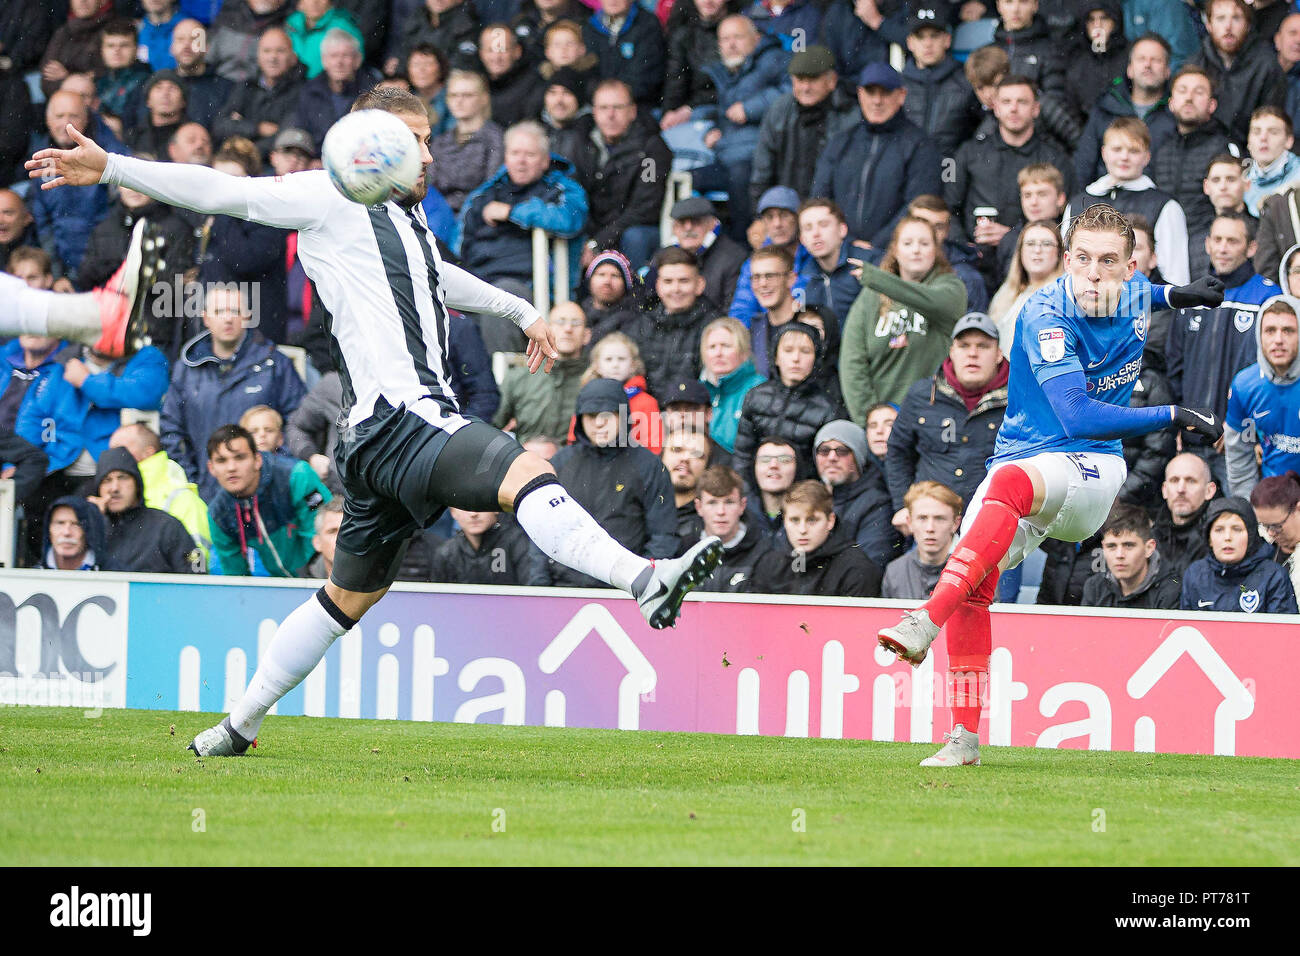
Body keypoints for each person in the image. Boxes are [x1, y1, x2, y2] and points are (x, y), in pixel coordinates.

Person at [30, 87, 723, 791]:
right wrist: (114, 167)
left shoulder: (407, 221)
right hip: (404, 419)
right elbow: (222, 192)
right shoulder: (331, 196)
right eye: (415, 140)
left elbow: (434, 276)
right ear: (372, 145)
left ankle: (235, 726)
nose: (428, 153)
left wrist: (517, 307)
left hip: (374, 443)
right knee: (526, 474)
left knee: (344, 599)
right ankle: (644, 579)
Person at [876, 203, 1227, 768]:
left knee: (1010, 488)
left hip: (1090, 475)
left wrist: (1180, 295)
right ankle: (964, 738)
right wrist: (1173, 413)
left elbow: (1145, 302)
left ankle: (924, 619)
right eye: (1082, 259)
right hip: (1039, 454)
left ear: (1129, 268)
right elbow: (1076, 414)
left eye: (1107, 262)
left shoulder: (1131, 292)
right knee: (976, 584)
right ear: (1066, 260)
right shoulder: (1045, 314)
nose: (1092, 273)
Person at [160, 284, 307, 501]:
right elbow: (171, 430)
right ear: (206, 318)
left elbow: (299, 423)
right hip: (206, 493)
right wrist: (194, 480)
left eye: (234, 311)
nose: (228, 319)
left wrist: (273, 469)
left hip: (267, 492)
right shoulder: (186, 369)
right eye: (219, 312)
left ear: (247, 316)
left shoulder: (275, 364)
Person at [453, 120, 588, 352]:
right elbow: (460, 242)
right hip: (479, 279)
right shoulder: (484, 194)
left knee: (502, 297)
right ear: (506, 157)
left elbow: (569, 220)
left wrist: (512, 212)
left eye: (530, 154)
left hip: (530, 287)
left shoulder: (563, 189)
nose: (521, 161)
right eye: (515, 153)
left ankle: (502, 383)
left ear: (546, 160)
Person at [1166, 212, 1276, 485]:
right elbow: (1174, 366)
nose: (1223, 248)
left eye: (1232, 241)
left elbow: (1273, 375)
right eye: (1217, 240)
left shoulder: (1268, 298)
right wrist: (1181, 421)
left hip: (1242, 441)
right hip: (1194, 438)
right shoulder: (1190, 296)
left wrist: (1246, 428)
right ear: (1207, 244)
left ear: (1251, 247)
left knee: (1241, 520)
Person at [547, 377, 682, 585]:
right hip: (563, 590)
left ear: (623, 416)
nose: (599, 423)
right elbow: (541, 531)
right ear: (580, 419)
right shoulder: (560, 464)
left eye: (607, 415)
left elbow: (663, 536)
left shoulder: (649, 466)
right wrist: (539, 588)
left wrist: (640, 583)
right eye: (591, 415)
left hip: (625, 591)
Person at [886, 312, 1009, 531]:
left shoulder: (1020, 399)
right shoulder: (922, 395)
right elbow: (898, 451)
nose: (972, 353)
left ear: (999, 354)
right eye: (964, 345)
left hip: (995, 525)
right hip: (932, 526)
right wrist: (902, 505)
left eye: (983, 346)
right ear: (952, 352)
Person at [839, 216, 968, 420]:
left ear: (935, 250)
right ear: (895, 250)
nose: (916, 250)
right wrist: (871, 420)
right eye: (908, 243)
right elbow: (852, 362)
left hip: (934, 418)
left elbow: (933, 301)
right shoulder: (871, 296)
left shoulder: (952, 288)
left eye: (924, 243)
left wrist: (879, 279)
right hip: (882, 421)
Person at [809, 63, 942, 249]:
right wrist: (848, 242)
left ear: (901, 95)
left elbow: (917, 205)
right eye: (871, 92)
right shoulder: (840, 141)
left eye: (885, 93)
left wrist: (876, 246)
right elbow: (820, 199)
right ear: (860, 94)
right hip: (840, 251)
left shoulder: (920, 145)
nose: (877, 101)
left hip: (893, 253)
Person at [944, 75, 1075, 250]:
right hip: (975, 259)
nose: (1014, 109)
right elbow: (948, 209)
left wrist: (1013, 237)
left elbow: (1068, 218)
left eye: (1022, 102)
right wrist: (963, 248)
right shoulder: (968, 152)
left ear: (1036, 109)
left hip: (1033, 257)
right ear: (995, 108)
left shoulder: (1056, 159)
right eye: (1006, 102)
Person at [1063, 117, 1190, 286]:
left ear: (1147, 157)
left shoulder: (1165, 207)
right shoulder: (1079, 203)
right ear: (1104, 153)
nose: (1124, 157)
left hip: (1142, 306)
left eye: (1134, 151)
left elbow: (1176, 277)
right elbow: (1066, 269)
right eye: (1117, 149)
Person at [694, 15, 789, 238]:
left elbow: (791, 91)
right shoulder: (724, 71)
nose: (731, 44)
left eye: (738, 37)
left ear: (757, 38)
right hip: (725, 153)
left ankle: (742, 243)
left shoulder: (774, 59)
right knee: (685, 178)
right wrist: (712, 129)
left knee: (739, 176)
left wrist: (750, 108)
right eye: (725, 39)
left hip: (757, 154)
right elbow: (718, 110)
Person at [570, 79, 672, 270]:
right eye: (603, 108)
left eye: (618, 107)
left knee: (636, 236)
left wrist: (599, 242)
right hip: (593, 232)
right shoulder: (581, 145)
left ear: (632, 111)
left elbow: (645, 208)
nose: (610, 115)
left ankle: (636, 297)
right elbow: (575, 194)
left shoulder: (652, 150)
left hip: (631, 231)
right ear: (594, 112)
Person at [205, 423, 331, 576]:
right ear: (211, 468)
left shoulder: (297, 476)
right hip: (281, 588)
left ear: (257, 460)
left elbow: (325, 534)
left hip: (325, 578)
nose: (231, 467)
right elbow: (235, 575)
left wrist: (307, 580)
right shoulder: (218, 513)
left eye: (240, 457)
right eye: (221, 460)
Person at [733, 321, 843, 490]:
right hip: (757, 493)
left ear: (816, 359)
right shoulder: (756, 397)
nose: (796, 358)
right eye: (788, 350)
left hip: (803, 497)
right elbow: (742, 456)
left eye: (805, 351)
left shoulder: (828, 409)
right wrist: (749, 496)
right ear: (775, 357)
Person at [749, 45, 858, 207]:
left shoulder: (850, 114)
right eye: (800, 80)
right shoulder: (779, 110)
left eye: (813, 80)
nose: (805, 88)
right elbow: (762, 170)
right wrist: (760, 213)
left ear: (832, 80)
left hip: (833, 210)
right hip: (785, 209)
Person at [1074, 32, 1175, 188]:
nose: (1148, 64)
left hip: (1157, 204)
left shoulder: (1175, 113)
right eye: (1141, 59)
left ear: (1167, 71)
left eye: (1156, 60)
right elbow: (1084, 164)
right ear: (1130, 69)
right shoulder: (1105, 108)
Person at [749, 479, 882, 596]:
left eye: (812, 520)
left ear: (830, 521)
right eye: (794, 520)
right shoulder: (769, 563)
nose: (802, 530)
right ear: (784, 521)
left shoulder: (856, 568)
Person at [109, 422, 215, 568]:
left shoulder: (183, 499)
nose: (112, 457)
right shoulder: (108, 497)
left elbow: (196, 564)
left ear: (148, 452)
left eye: (120, 450)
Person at [1151, 65, 1241, 237]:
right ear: (1171, 103)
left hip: (1207, 246)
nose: (1189, 98)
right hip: (1163, 244)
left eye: (1198, 92)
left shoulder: (1225, 148)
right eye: (1182, 91)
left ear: (1212, 105)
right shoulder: (1160, 148)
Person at [1225, 296, 1300, 498]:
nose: (1278, 340)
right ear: (1259, 335)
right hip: (1272, 500)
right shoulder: (1244, 385)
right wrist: (1249, 508)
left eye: (1288, 331)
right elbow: (1239, 453)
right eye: (1270, 331)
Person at [90, 445, 204, 573]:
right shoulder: (92, 528)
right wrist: (90, 523)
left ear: (137, 484)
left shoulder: (166, 526)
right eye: (107, 480)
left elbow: (197, 574)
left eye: (123, 478)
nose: (114, 488)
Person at [1186, 0, 1286, 144]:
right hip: (1201, 149)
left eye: (1236, 18)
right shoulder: (1195, 65)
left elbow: (1271, 121)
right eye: (1221, 18)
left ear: (1247, 25)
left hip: (1251, 151)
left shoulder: (1267, 65)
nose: (1228, 27)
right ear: (1208, 25)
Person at [622, 247, 714, 400]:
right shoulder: (641, 326)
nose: (675, 289)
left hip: (693, 415)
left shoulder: (714, 327)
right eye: (668, 281)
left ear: (699, 284)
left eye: (684, 281)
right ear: (658, 286)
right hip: (648, 416)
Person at [1180, 496, 1298, 613]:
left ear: (1251, 536)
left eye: (1237, 529)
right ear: (1209, 539)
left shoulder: (1274, 576)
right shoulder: (1195, 574)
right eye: (1219, 530)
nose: (1227, 537)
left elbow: (1282, 630)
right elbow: (1187, 629)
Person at [494, 301, 591, 443]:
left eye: (576, 323)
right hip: (527, 461)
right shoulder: (519, 377)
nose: (568, 329)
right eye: (560, 322)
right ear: (547, 329)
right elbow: (492, 425)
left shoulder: (594, 379)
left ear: (587, 335)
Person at [814, 419, 901, 570]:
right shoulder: (810, 497)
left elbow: (868, 567)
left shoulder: (877, 503)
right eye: (824, 450)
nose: (831, 457)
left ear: (858, 457)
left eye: (842, 451)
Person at [212, 26, 308, 162]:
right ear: (258, 56)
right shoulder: (245, 86)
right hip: (242, 162)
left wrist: (245, 151)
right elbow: (220, 126)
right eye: (267, 51)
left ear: (293, 57)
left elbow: (284, 136)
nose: (272, 57)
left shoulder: (303, 90)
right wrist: (257, 128)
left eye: (280, 51)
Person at [729, 186, 814, 327]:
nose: (777, 224)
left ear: (798, 219)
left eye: (784, 215)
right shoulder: (754, 263)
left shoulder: (813, 257)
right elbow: (742, 308)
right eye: (770, 217)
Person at [571, 331, 661, 453]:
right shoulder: (587, 399)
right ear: (597, 366)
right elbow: (574, 440)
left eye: (621, 359)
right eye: (608, 359)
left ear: (633, 365)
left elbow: (653, 446)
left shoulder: (647, 403)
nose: (615, 365)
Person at [430, 70, 505, 214]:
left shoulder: (496, 139)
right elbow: (430, 187)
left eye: (467, 95)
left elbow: (491, 188)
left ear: (484, 99)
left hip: (476, 216)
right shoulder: (440, 141)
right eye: (454, 95)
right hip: (439, 215)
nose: (459, 101)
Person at [685, 464, 770, 592]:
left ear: (742, 505)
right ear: (699, 507)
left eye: (729, 502)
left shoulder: (763, 553)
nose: (721, 511)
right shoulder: (683, 550)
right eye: (712, 502)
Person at [291, 28, 381, 149]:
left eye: (345, 56)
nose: (339, 62)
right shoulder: (309, 91)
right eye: (334, 56)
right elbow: (300, 130)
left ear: (357, 60)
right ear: (324, 60)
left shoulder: (374, 92)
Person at [1081, 502, 1181, 609]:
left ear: (1149, 548)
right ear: (1103, 547)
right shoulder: (1094, 587)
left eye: (1128, 545)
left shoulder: (1171, 590)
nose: (1119, 555)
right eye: (1111, 546)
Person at [987, 219, 1063, 351]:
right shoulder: (1006, 292)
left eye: (1046, 244)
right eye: (1030, 243)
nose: (1037, 250)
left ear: (1060, 253)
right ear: (1020, 251)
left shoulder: (1063, 296)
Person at [664, 196, 747, 313]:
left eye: (696, 222)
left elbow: (731, 311)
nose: (688, 228)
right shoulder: (663, 256)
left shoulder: (735, 257)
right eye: (682, 223)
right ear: (674, 228)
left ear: (712, 224)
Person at [881, 480, 962, 599]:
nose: (930, 528)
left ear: (955, 523)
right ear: (909, 522)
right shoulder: (895, 572)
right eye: (922, 518)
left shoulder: (975, 572)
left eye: (939, 518)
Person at [430, 507, 550, 585]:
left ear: (496, 508)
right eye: (464, 507)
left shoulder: (518, 541)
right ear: (453, 513)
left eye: (480, 504)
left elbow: (535, 592)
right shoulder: (446, 553)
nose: (473, 513)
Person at [582, 0, 667, 109]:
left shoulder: (648, 25)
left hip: (639, 106)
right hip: (598, 105)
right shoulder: (590, 27)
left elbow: (646, 77)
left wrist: (615, 101)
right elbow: (587, 74)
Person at [700, 316, 765, 454]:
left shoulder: (760, 389)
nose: (718, 353)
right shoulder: (699, 390)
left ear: (744, 351)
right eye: (712, 347)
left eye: (726, 346)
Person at [995, 162, 1068, 282]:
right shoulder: (1010, 240)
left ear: (1060, 198)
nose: (1033, 202)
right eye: (1027, 195)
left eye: (1042, 194)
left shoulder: (1072, 235)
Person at [1153, 451, 1219, 578]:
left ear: (1209, 490)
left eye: (1191, 481)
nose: (1181, 489)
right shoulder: (1150, 538)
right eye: (1174, 480)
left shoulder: (1219, 539)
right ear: (1164, 490)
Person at [798, 198, 860, 328]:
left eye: (824, 224)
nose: (816, 233)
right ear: (802, 239)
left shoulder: (867, 263)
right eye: (808, 228)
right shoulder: (803, 280)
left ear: (842, 230)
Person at [1195, 152, 1255, 278]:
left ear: (1247, 184)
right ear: (1206, 186)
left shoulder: (1262, 230)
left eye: (1231, 179)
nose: (1223, 187)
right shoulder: (1195, 232)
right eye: (1216, 180)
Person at [480, 25, 544, 129]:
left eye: (503, 50)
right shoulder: (476, 85)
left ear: (517, 51)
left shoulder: (534, 85)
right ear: (481, 53)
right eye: (491, 50)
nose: (497, 57)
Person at [1250, 469, 1300, 599]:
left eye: (1277, 526)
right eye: (1264, 525)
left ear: (1298, 509)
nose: (1271, 533)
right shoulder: (1256, 544)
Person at [1244, 106, 1300, 217]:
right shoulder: (1237, 180)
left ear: (1289, 141)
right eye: (1256, 132)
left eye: (1273, 132)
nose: (1263, 138)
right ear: (1248, 142)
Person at [286, 0, 364, 78]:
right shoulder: (290, 25)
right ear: (299, 3)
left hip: (328, 87)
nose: (314, 2)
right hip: (291, 85)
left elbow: (356, 61)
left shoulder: (344, 27)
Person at [580, 249, 641, 346]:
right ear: (590, 281)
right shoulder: (578, 315)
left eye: (615, 276)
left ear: (625, 284)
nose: (607, 281)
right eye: (601, 274)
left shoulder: (636, 321)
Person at [745, 435, 797, 547]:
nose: (773, 465)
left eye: (784, 460)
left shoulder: (810, 516)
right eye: (765, 460)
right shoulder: (739, 515)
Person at [39, 496, 111, 571]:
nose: (67, 532)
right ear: (49, 529)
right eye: (60, 523)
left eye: (77, 524)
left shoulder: (117, 575)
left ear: (90, 530)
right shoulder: (32, 577)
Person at [663, 427, 711, 537]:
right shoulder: (637, 506)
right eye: (677, 450)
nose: (685, 458)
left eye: (697, 454)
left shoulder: (711, 521)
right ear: (661, 456)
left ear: (707, 466)